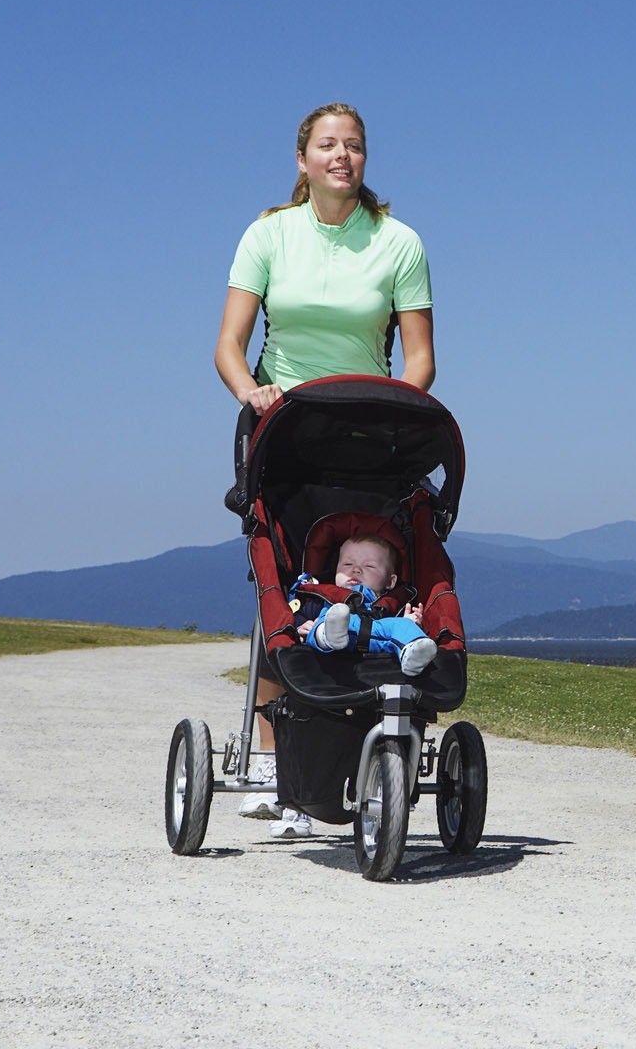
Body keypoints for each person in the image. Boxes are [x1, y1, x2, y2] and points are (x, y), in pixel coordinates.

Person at [213, 101, 436, 838]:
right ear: (303, 159)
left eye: (355, 147)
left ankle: (366, 737)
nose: (343, 156)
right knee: (283, 575)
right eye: (328, 145)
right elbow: (229, 346)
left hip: (369, 436)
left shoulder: (399, 242)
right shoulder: (268, 235)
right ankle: (278, 761)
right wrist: (253, 394)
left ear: (365, 161)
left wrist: (401, 405)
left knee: (370, 572)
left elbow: (421, 359)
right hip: (285, 426)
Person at [292, 533, 439, 676]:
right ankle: (326, 636)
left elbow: (400, 625)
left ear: (390, 581)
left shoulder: (396, 603)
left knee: (404, 626)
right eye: (347, 564)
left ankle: (413, 654)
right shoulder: (323, 599)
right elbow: (299, 615)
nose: (355, 570)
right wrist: (300, 627)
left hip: (379, 634)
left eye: (369, 566)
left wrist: (411, 622)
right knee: (326, 619)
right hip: (335, 637)